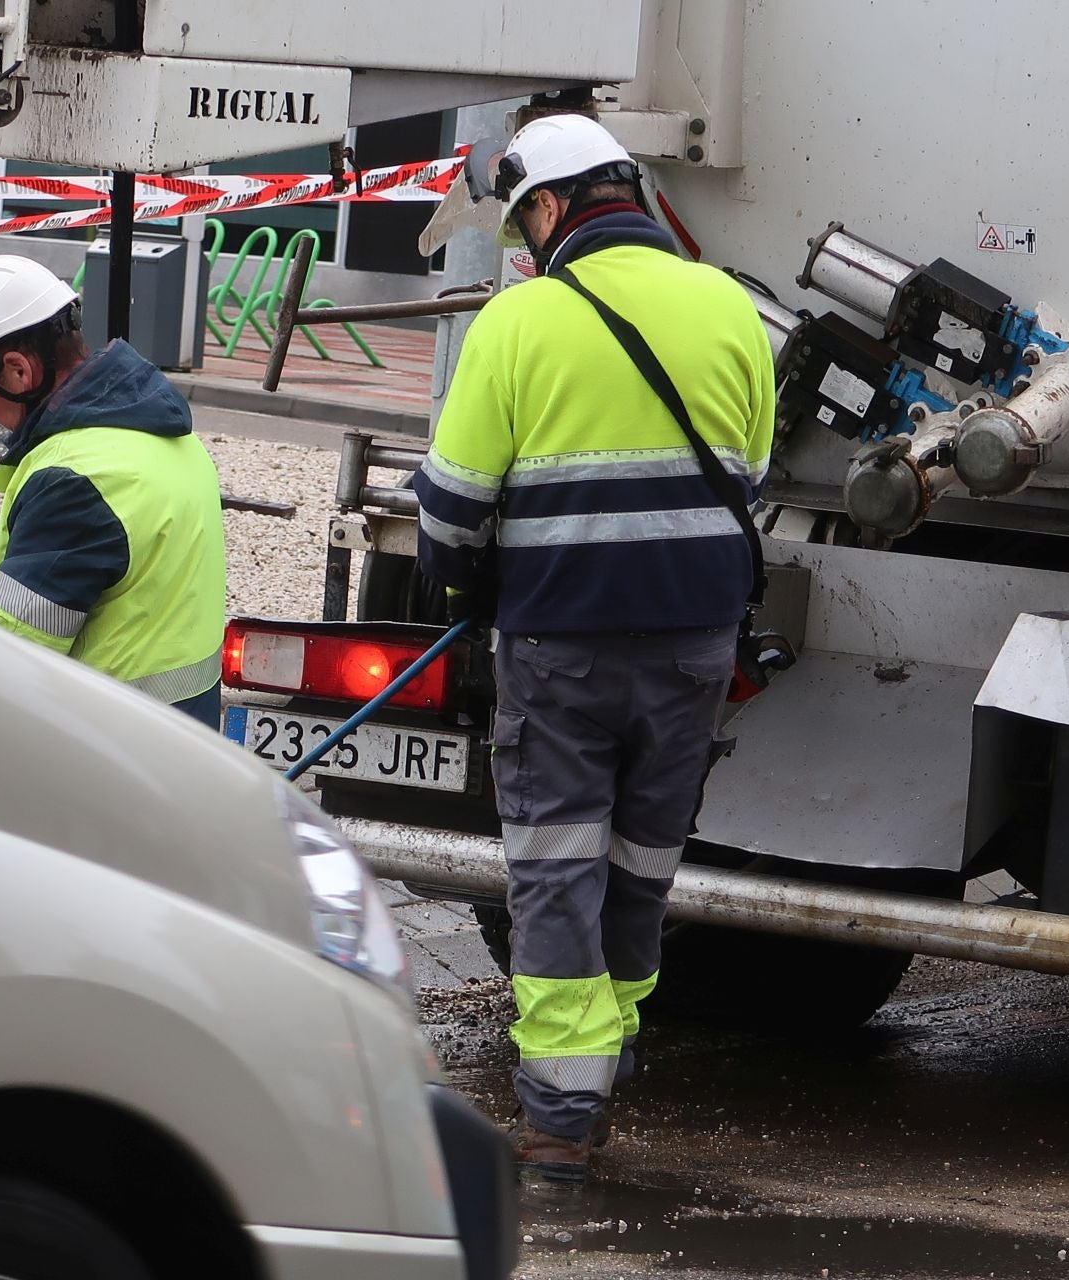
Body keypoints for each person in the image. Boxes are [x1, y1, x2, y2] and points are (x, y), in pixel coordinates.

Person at [414, 115, 776, 1180]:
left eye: (526, 218)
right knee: (641, 862)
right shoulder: (731, 305)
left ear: (552, 205)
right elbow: (749, 474)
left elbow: (454, 505)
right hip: (696, 647)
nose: (526, 243)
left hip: (562, 644)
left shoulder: (521, 320)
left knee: (555, 866)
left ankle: (562, 1120)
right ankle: (602, 1057)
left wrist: (456, 585)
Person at [0, 255, 227, 725]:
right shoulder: (162, 433)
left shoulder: (75, 482)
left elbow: (8, 666)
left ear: (18, 371)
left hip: (107, 755)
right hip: (180, 735)